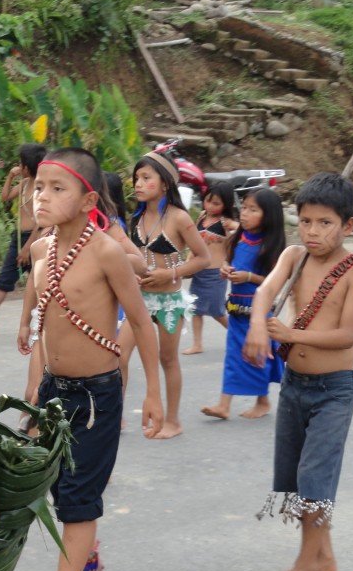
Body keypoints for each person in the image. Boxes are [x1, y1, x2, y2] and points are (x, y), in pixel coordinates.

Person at [14, 148, 163, 571]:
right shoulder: (40, 251)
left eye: (58, 189)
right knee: (61, 491)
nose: (43, 197)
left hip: (98, 396)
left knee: (78, 500)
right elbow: (40, 306)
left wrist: (153, 395)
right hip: (55, 390)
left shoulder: (106, 252)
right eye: (39, 187)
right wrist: (29, 345)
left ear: (88, 199)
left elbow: (141, 321)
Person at [245, 172, 353, 571]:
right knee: (295, 474)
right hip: (295, 385)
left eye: (325, 223)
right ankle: (325, 555)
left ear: (348, 225)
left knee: (312, 476)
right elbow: (264, 291)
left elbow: (346, 335)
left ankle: (305, 563)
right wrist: (258, 328)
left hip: (335, 389)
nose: (313, 232)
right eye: (306, 221)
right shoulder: (295, 256)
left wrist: (291, 335)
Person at [118, 151, 210, 439]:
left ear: (165, 184)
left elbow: (203, 258)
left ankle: (173, 421)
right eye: (137, 178)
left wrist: (171, 274)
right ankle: (114, 416)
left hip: (169, 302)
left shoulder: (180, 218)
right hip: (140, 300)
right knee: (118, 356)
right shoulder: (137, 217)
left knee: (168, 359)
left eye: (147, 178)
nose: (139, 184)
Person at [201, 187, 285, 419]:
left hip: (257, 313)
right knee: (233, 356)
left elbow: (274, 280)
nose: (245, 214)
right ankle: (224, 405)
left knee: (257, 355)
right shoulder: (238, 238)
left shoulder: (270, 246)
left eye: (252, 210)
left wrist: (249, 277)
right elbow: (230, 261)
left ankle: (262, 401)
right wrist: (225, 269)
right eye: (244, 208)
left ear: (268, 215)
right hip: (236, 309)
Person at [0, 143, 45, 329]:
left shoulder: (41, 189)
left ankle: (38, 318)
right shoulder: (24, 184)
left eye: (20, 164)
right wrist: (10, 176)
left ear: (27, 166)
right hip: (18, 238)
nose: (18, 166)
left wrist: (27, 248)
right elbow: (5, 197)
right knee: (6, 276)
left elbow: (41, 222)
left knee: (38, 280)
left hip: (35, 238)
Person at [183, 182, 237, 355]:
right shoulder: (201, 217)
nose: (211, 206)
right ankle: (197, 344)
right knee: (195, 309)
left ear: (226, 205)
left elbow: (243, 229)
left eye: (216, 203)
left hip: (216, 273)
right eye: (208, 201)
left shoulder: (225, 222)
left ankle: (239, 337)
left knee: (217, 311)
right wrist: (188, 262)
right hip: (200, 271)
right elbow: (194, 243)